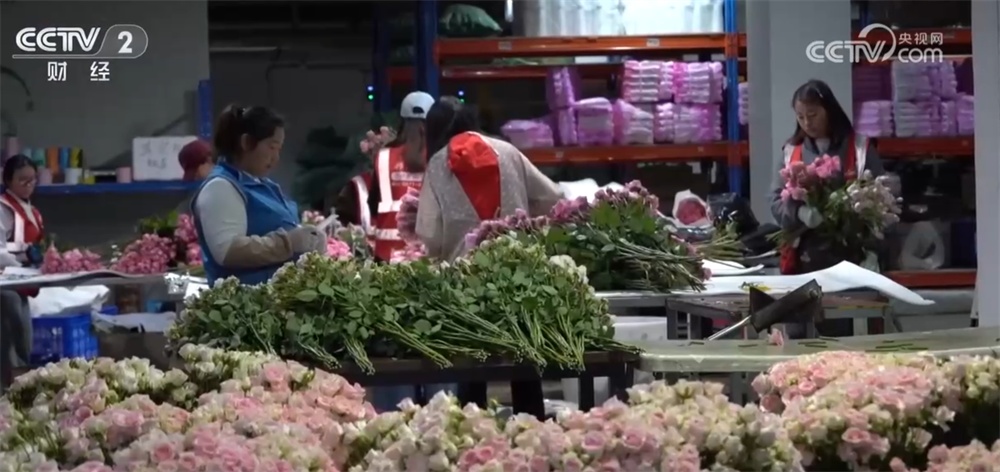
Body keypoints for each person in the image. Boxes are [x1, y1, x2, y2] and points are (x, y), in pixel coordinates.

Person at [769, 79, 885, 337]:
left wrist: (873, 249)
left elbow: (880, 199)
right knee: (798, 336)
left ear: (829, 111)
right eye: (800, 117)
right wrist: (798, 213)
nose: (807, 123)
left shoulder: (859, 148)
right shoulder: (791, 152)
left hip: (847, 259)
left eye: (813, 115)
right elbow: (775, 200)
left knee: (837, 337)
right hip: (801, 260)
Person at [191, 104, 326, 285]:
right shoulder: (220, 188)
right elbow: (229, 251)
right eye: (272, 147)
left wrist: (308, 239)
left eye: (279, 149)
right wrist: (288, 243)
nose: (276, 157)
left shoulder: (262, 185)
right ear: (246, 142)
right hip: (244, 306)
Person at [416, 96, 563, 261]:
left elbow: (430, 234)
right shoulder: (507, 151)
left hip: (464, 274)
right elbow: (552, 197)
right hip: (519, 265)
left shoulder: (438, 165)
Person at [361, 91, 435, 261]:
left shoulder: (384, 156)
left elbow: (372, 204)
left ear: (402, 121)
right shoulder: (437, 158)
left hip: (386, 253)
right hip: (425, 255)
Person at [0, 154, 42, 390]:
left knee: (23, 333)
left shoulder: (32, 211)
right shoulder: (2, 208)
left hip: (23, 280)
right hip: (6, 281)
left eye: (32, 180)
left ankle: (20, 382)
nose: (29, 185)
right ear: (8, 181)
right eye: (22, 180)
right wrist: (20, 270)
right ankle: (11, 385)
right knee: (12, 328)